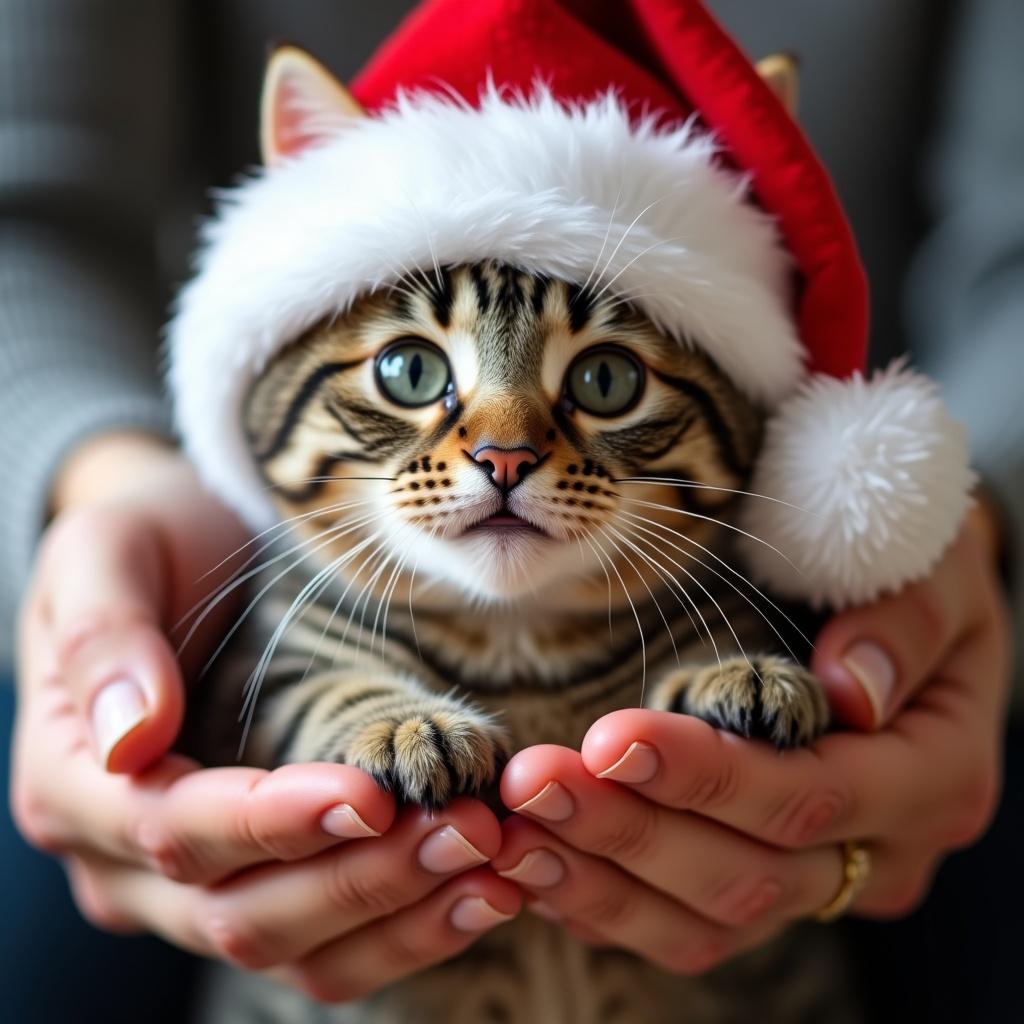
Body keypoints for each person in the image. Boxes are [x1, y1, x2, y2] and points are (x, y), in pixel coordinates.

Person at [2, 1, 1019, 1020]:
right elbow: (26, 209)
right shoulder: (294, 616)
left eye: (609, 381)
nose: (504, 451)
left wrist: (975, 526)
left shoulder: (715, 614)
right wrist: (112, 487)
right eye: (407, 369)